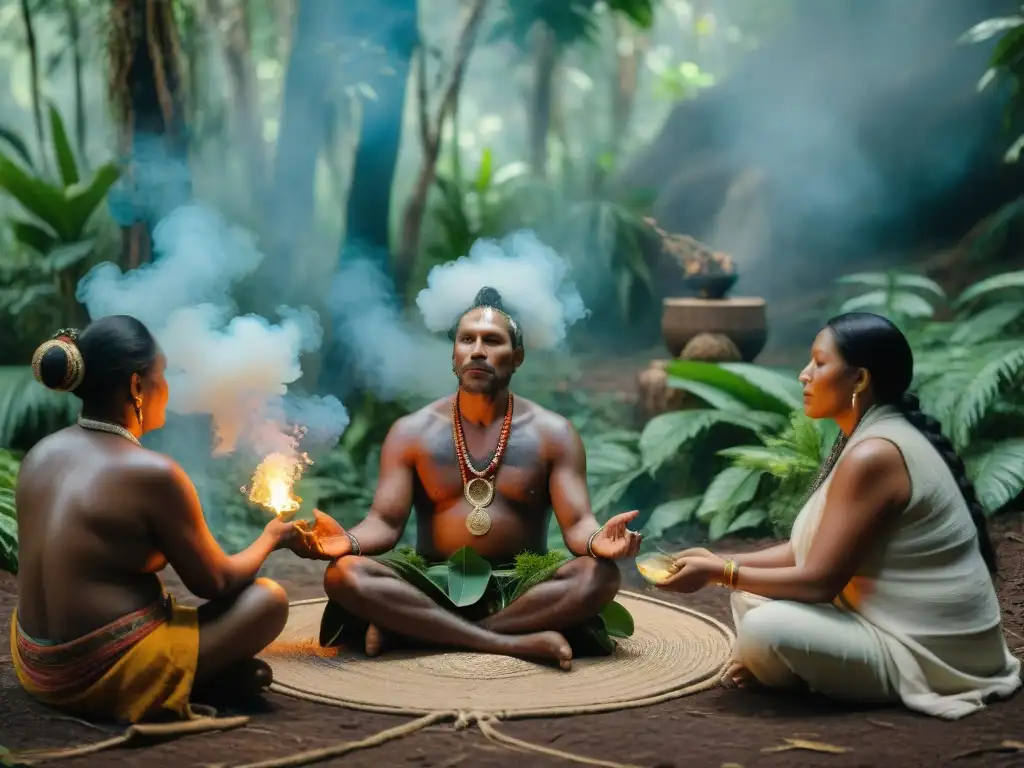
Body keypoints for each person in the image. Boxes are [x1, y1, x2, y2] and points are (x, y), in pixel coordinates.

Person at [656, 312, 1022, 719]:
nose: (803, 375)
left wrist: (717, 573)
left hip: (928, 654)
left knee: (765, 626)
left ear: (860, 379)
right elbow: (803, 551)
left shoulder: (874, 454)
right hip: (880, 621)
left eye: (819, 362)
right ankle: (782, 665)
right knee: (751, 595)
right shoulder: (869, 434)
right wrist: (716, 561)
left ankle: (783, 669)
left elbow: (818, 581)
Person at [289, 287, 642, 669]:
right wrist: (349, 540)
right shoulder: (412, 432)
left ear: (517, 357)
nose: (477, 350)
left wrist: (597, 541)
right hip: (433, 583)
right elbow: (385, 523)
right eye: (467, 339)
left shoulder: (553, 433)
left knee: (599, 576)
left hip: (522, 586)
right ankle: (513, 641)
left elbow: (576, 525)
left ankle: (414, 631)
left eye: (492, 340)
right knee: (345, 574)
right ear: (454, 356)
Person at [10, 317, 300, 724]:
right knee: (268, 600)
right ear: (135, 386)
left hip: (36, 664)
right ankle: (178, 679)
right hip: (100, 670)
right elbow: (214, 582)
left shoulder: (39, 454)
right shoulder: (152, 473)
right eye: (161, 375)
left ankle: (202, 673)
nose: (167, 388)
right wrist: (271, 537)